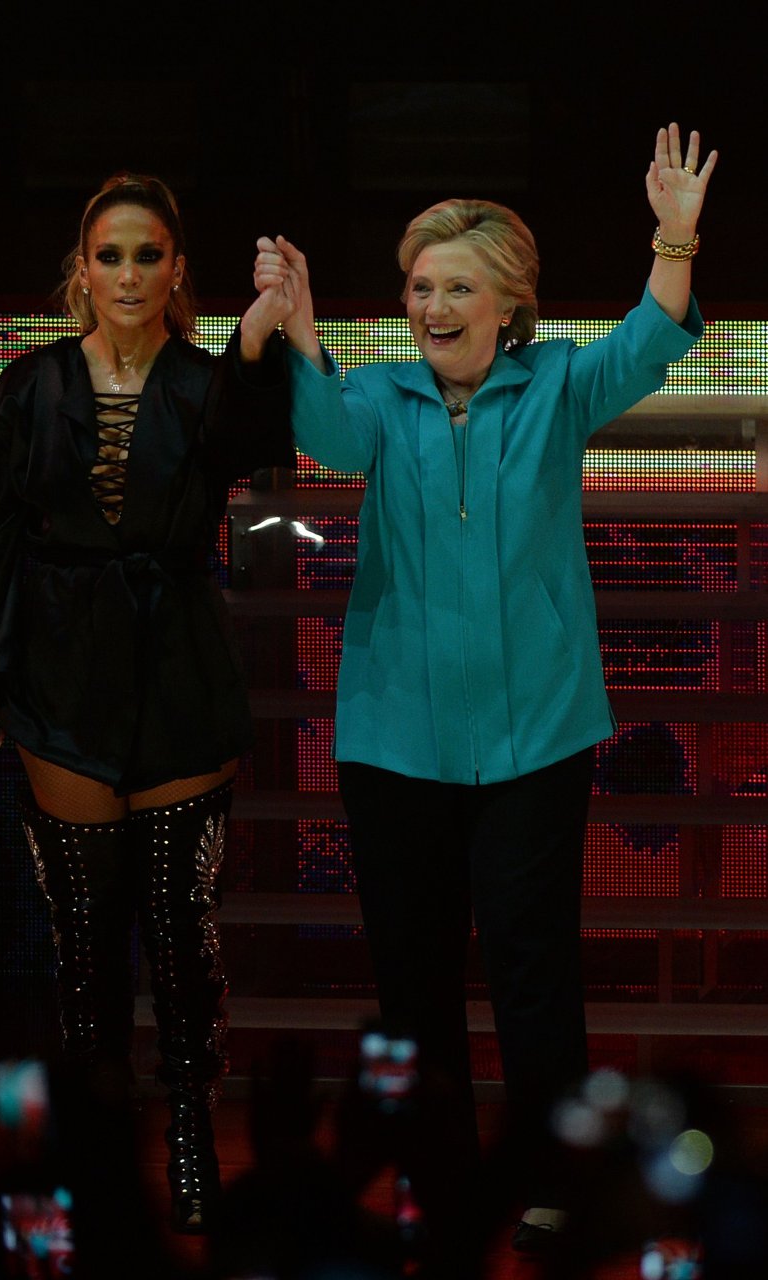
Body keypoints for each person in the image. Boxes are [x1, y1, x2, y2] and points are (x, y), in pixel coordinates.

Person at [253, 124, 717, 1259]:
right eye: (420, 287)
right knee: (412, 984)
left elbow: (651, 339)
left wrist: (671, 237)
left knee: (532, 970)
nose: (433, 304)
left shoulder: (557, 383)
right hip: (392, 741)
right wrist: (301, 330)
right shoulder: (378, 396)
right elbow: (324, 437)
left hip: (535, 737)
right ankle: (440, 1180)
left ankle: (553, 1179)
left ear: (509, 304)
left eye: (457, 286)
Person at [0, 172, 295, 1236]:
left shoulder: (206, 379)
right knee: (85, 944)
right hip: (60, 672)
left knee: (181, 937)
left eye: (147, 255)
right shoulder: (32, 383)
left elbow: (250, 440)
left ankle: (189, 1138)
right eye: (109, 255)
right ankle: (96, 1156)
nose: (128, 274)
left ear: (176, 270)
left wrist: (257, 334)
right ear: (81, 272)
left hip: (176, 664)